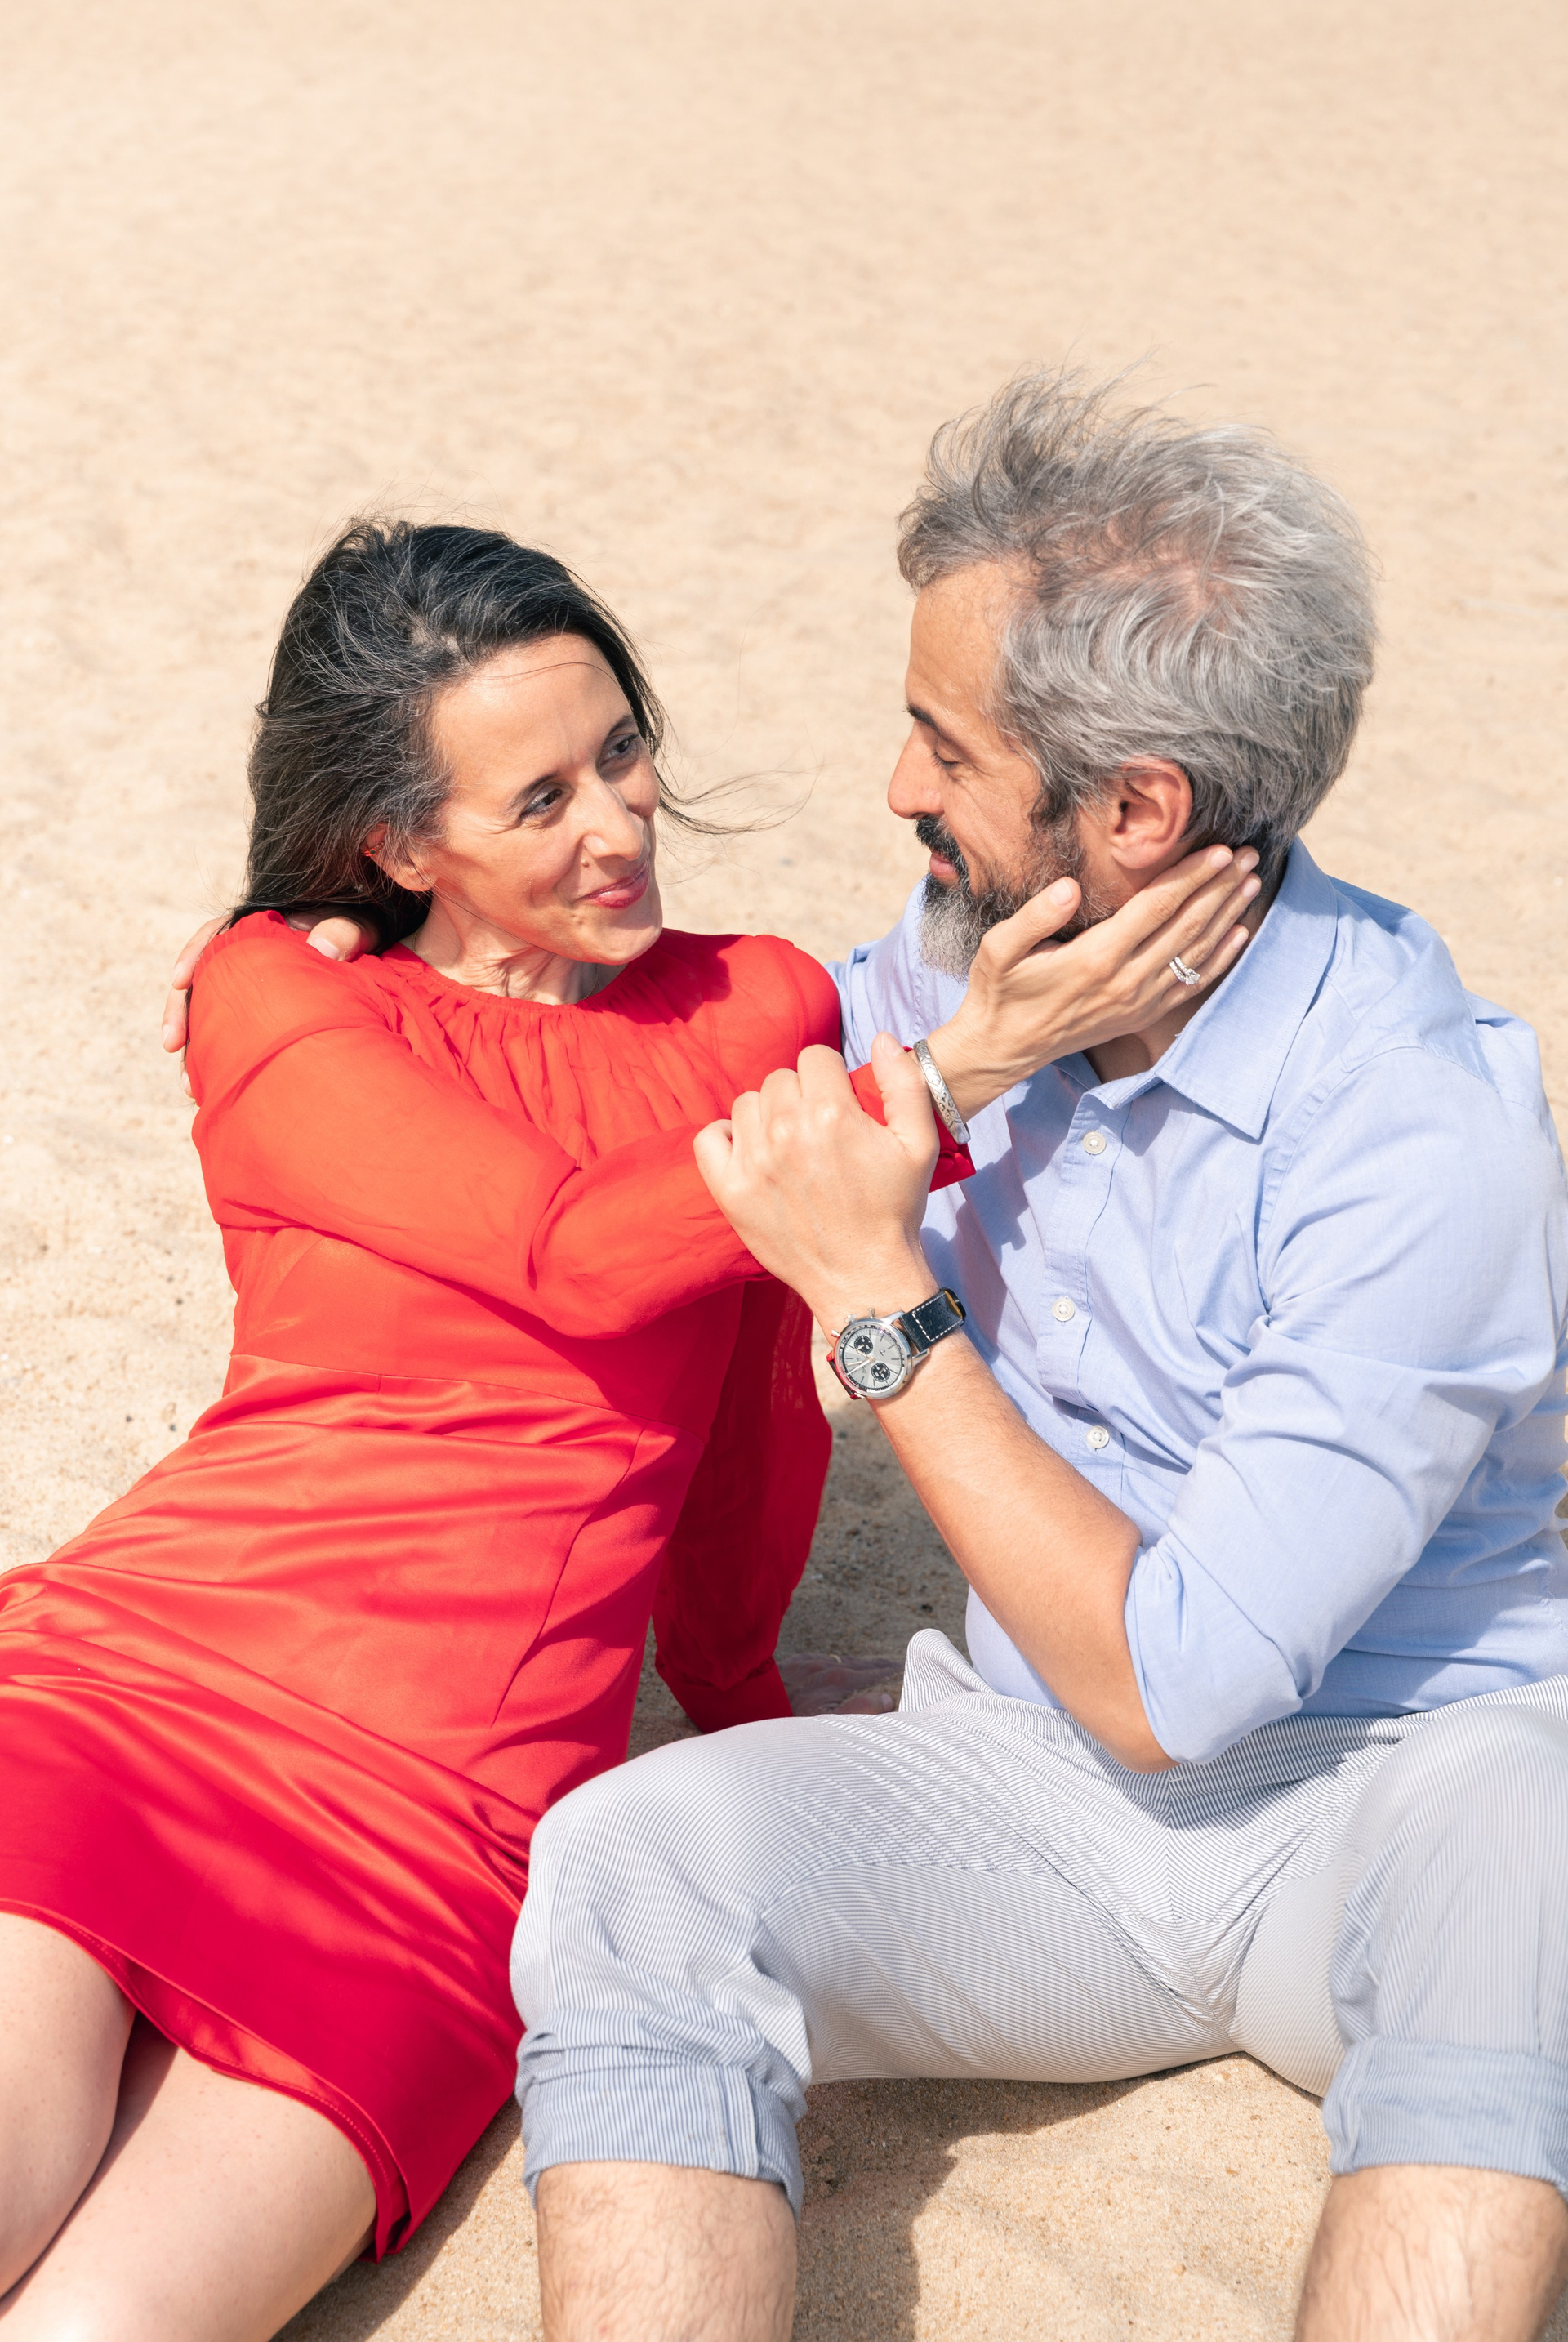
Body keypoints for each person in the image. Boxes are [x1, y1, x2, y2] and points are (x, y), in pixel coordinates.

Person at [2, 515, 1253, 2338]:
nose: (619, 820)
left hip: (441, 1838)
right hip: (138, 1700)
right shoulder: (282, 995)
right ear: (397, 844)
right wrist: (965, 1064)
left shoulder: (761, 1008)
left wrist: (740, 1688)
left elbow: (749, 1404)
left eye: (621, 750)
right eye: (541, 800)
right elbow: (574, 1258)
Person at [506, 373, 1568, 2342]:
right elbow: (692, 1107)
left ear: (1135, 811)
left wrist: (884, 1307)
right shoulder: (963, 964)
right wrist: (356, 925)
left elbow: (1177, 1682)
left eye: (945, 744)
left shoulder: (1423, 1128)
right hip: (1028, 1797)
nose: (896, 787)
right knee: (630, 1858)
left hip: (1385, 1805)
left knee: (1535, 1843)